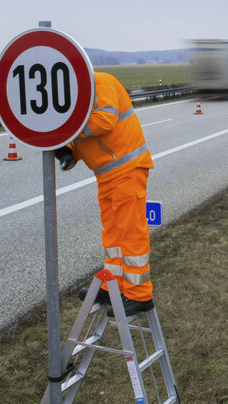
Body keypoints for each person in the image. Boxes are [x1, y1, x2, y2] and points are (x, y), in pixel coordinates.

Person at [55, 71, 155, 317]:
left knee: (131, 233)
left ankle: (140, 295)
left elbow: (104, 121)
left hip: (127, 170)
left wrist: (66, 133)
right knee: (113, 236)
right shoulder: (75, 94)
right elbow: (86, 133)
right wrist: (69, 150)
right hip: (107, 176)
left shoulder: (101, 83)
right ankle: (114, 286)